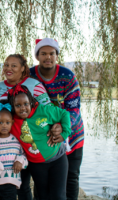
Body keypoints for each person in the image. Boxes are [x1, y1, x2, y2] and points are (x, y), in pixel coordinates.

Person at [0, 54, 62, 200]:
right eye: (6, 64)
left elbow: (49, 109)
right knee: (21, 185)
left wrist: (55, 125)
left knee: (42, 187)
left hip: (34, 144)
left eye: (14, 65)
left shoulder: (34, 85)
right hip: (12, 145)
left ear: (23, 68)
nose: (9, 68)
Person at [30, 38, 84, 200]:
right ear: (37, 56)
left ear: (57, 55)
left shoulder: (68, 76)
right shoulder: (30, 76)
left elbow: (73, 108)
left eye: (52, 53)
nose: (48, 57)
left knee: (71, 178)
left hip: (71, 134)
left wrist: (62, 127)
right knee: (41, 181)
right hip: (43, 138)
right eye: (43, 53)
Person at [7, 84, 71, 200]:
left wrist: (64, 133)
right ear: (12, 106)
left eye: (26, 104)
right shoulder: (11, 121)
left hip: (58, 159)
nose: (23, 108)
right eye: (18, 105)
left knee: (59, 196)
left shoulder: (43, 110)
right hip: (36, 165)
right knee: (43, 196)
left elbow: (64, 114)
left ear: (31, 101)